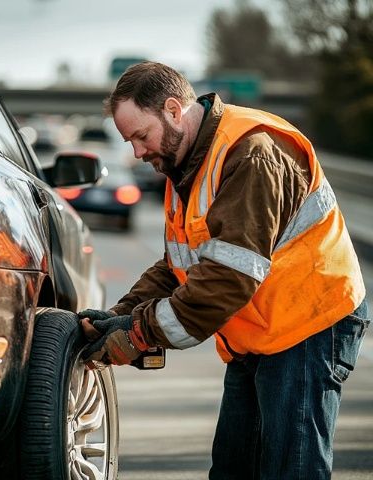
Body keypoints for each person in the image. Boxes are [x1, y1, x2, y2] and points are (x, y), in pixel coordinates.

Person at [78, 61, 369, 479]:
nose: (137, 153)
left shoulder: (251, 153)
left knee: (291, 470)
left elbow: (224, 282)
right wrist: (123, 314)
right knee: (233, 468)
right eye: (130, 142)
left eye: (141, 136)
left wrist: (139, 334)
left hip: (308, 325)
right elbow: (180, 265)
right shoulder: (188, 164)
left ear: (174, 110)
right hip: (258, 332)